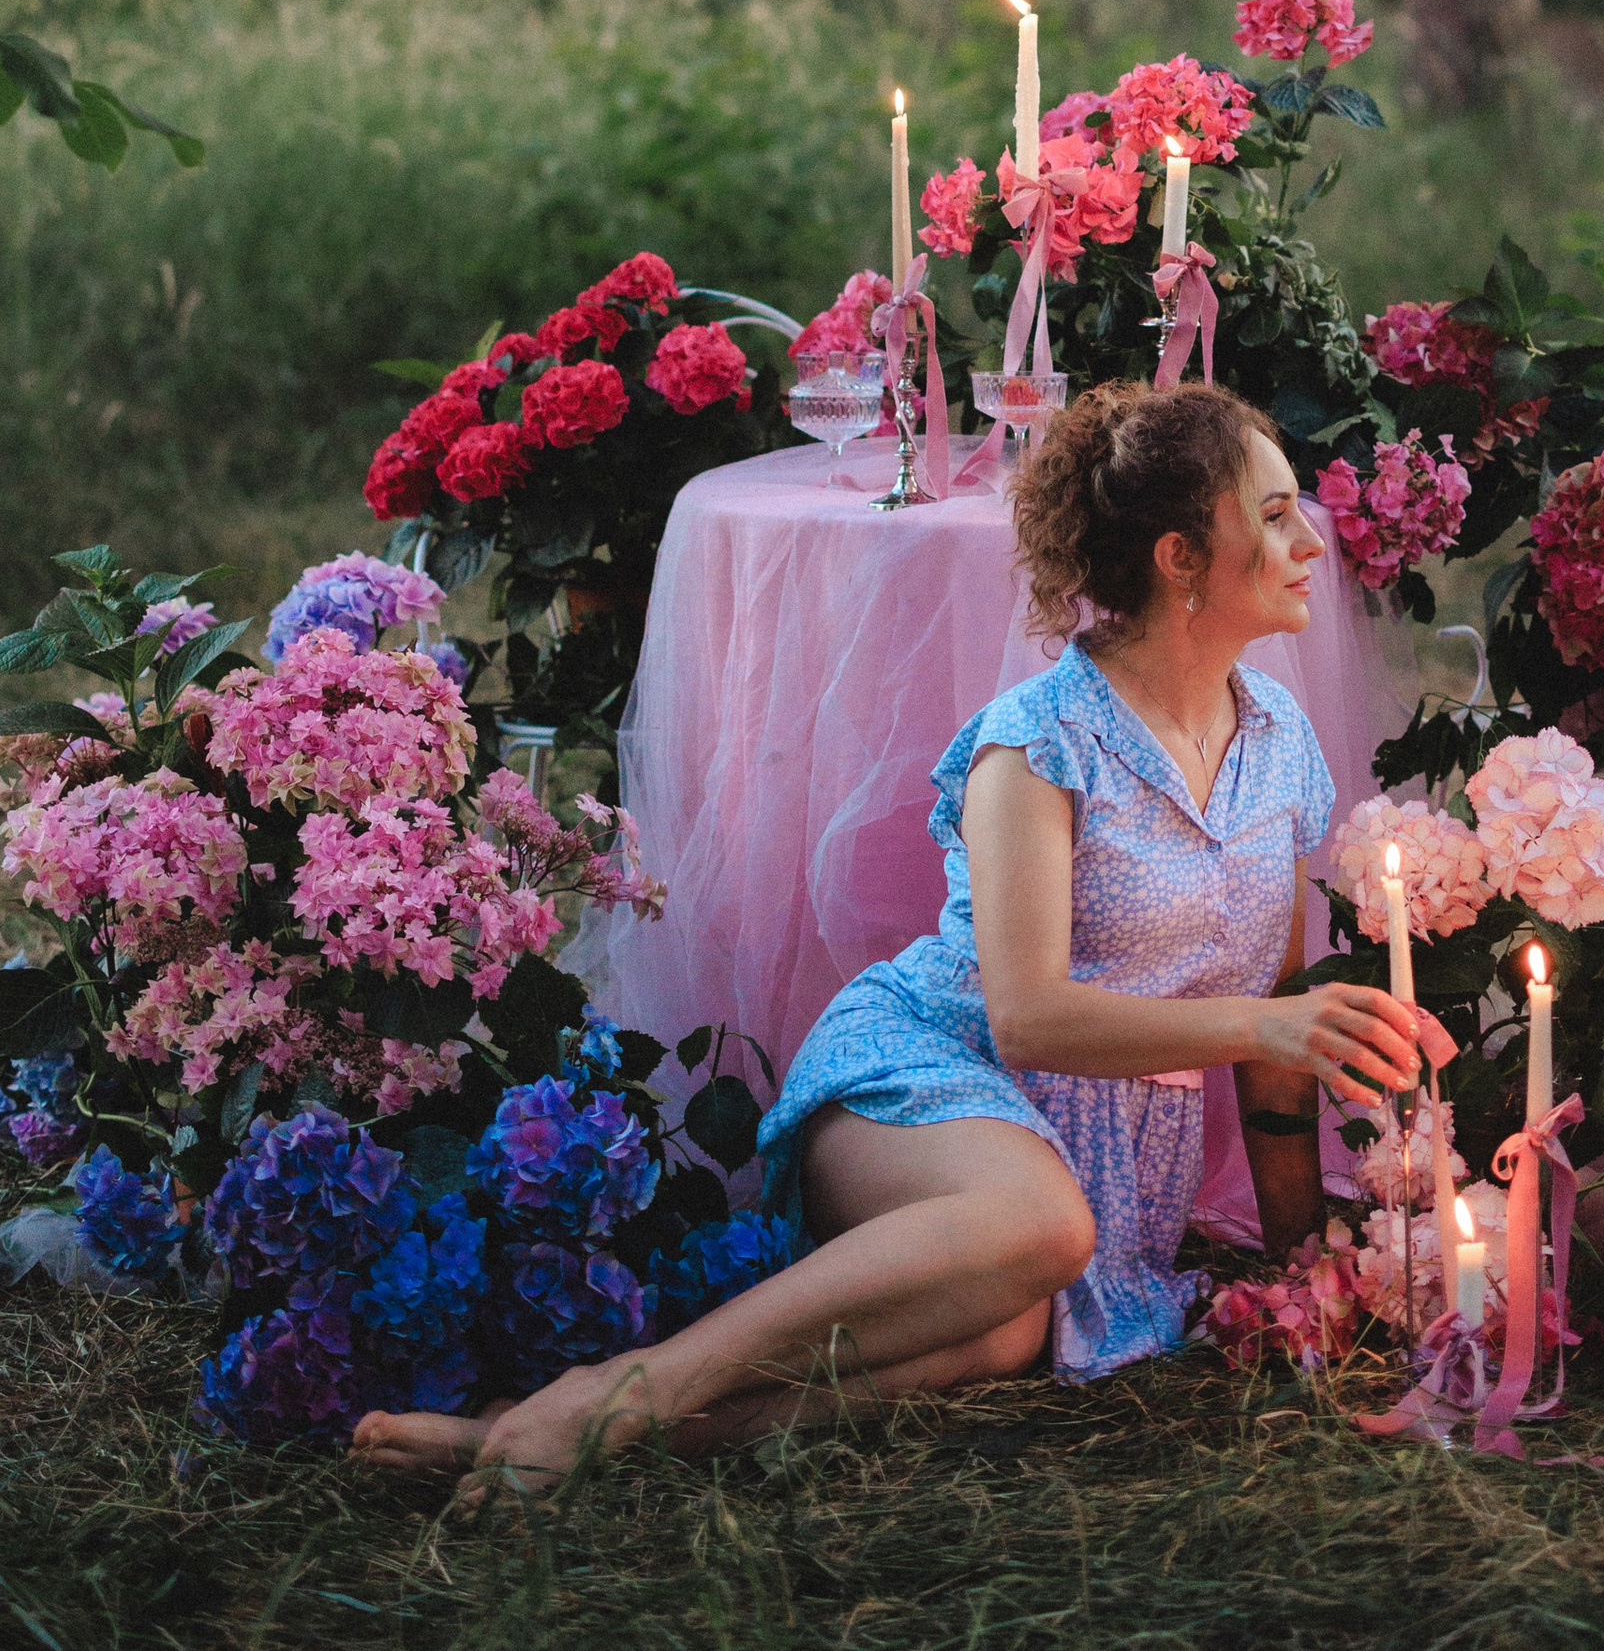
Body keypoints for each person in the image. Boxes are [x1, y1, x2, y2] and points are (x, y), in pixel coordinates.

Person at [353, 380, 1419, 1493]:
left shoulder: (1279, 743)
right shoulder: (1038, 743)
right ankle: (625, 1390)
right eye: (1276, 515)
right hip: (923, 1074)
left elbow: (1277, 1051)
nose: (1310, 542)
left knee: (1003, 1332)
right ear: (1179, 557)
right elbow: (1029, 1018)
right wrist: (1264, 1025)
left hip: (1074, 1171)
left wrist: (1305, 1276)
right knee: (1038, 1230)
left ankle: (569, 1437)